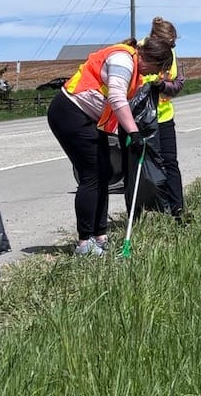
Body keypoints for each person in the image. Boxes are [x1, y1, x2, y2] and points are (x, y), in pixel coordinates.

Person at [48, 22, 176, 255]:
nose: (156, 75)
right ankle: (85, 243)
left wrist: (132, 133)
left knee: (104, 172)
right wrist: (134, 133)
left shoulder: (136, 69)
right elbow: (117, 98)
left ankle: (100, 235)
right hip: (70, 113)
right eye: (158, 68)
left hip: (89, 118)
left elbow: (121, 107)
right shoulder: (123, 60)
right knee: (92, 175)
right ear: (148, 58)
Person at [139, 18, 186, 219]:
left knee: (170, 162)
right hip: (141, 118)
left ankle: (178, 209)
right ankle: (145, 210)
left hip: (164, 115)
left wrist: (164, 86)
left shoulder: (172, 54)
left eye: (172, 44)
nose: (170, 47)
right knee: (143, 165)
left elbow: (178, 82)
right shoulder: (139, 50)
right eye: (167, 42)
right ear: (154, 37)